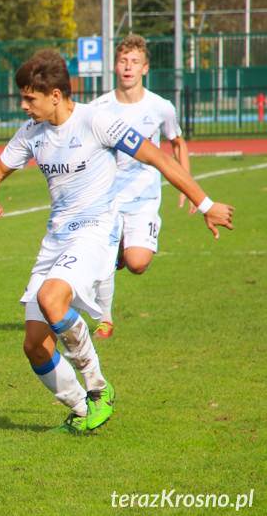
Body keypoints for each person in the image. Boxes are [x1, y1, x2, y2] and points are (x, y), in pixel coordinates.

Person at [0, 50, 233, 434]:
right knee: (34, 346)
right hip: (56, 238)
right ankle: (82, 408)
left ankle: (98, 388)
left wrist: (206, 203)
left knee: (51, 298)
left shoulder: (96, 121)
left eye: (30, 98)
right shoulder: (31, 133)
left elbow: (159, 159)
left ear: (56, 96)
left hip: (96, 231)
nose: (23, 105)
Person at [89, 34, 191, 339]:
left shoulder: (161, 107)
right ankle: (104, 320)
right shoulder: (99, 107)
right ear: (115, 66)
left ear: (145, 68)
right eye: (123, 61)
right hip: (107, 198)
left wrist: (186, 185)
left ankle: (124, 249)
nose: (127, 67)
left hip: (144, 199)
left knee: (137, 263)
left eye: (134, 62)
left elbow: (177, 142)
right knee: (102, 261)